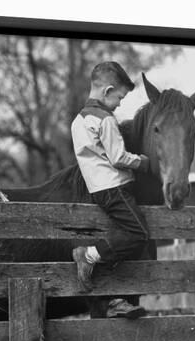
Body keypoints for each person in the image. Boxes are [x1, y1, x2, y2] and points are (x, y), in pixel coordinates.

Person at [70, 62, 151, 318]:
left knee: (119, 241)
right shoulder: (105, 119)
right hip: (115, 187)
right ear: (107, 91)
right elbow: (117, 157)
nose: (119, 104)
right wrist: (142, 162)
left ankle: (115, 298)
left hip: (97, 189)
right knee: (139, 235)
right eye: (119, 97)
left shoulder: (78, 120)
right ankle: (88, 255)